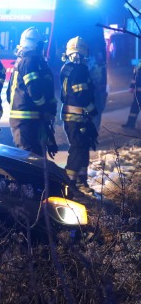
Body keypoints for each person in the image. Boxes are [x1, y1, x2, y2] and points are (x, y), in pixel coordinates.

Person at [6, 27, 57, 157]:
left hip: (27, 118)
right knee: (28, 157)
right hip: (25, 120)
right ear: (36, 44)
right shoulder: (29, 62)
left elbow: (8, 94)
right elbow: (34, 90)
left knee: (35, 157)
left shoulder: (27, 61)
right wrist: (43, 107)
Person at [60, 36, 98, 196]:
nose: (77, 58)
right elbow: (81, 94)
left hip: (74, 117)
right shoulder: (80, 70)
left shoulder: (67, 68)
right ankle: (70, 184)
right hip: (77, 117)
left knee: (82, 148)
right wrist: (92, 109)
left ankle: (81, 181)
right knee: (77, 149)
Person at [121, 60, 141, 129]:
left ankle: (130, 124)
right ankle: (130, 124)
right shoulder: (139, 63)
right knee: (134, 109)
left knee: (134, 108)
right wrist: (132, 86)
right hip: (138, 93)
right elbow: (135, 76)